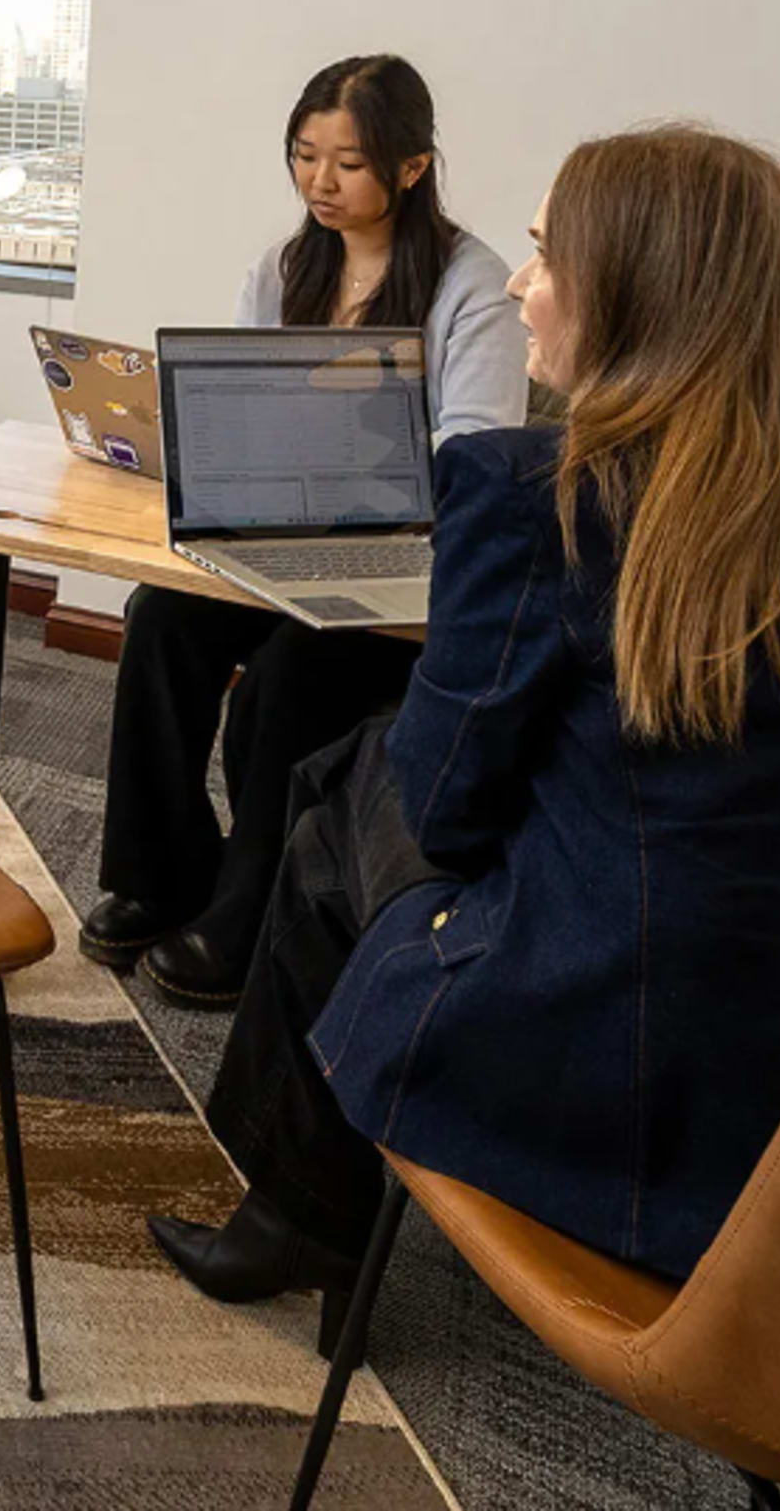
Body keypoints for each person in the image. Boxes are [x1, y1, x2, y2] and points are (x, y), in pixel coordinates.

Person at [147, 123, 780, 1303]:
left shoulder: (540, 497)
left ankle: (299, 1214)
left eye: (547, 258)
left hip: (595, 1030)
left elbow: (443, 803)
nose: (522, 289)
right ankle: (293, 1201)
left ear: (632, 294)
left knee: (342, 790)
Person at [80, 54, 528, 1007]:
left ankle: (248, 917)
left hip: (410, 559)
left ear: (412, 167)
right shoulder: (285, 266)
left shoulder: (471, 285)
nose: (319, 183)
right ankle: (159, 876)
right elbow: (244, 397)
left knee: (288, 675)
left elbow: (479, 452)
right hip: (276, 527)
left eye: (348, 163)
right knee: (162, 617)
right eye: (304, 155)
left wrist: (355, 453)